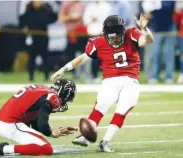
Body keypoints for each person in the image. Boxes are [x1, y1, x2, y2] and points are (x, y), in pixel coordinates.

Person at [51, 14, 154, 152]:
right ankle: (85, 137)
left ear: (122, 32)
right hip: (111, 80)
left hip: (130, 80)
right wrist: (65, 68)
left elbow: (147, 41)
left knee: (121, 111)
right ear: (106, 34)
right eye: (111, 37)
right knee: (100, 108)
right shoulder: (98, 42)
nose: (115, 40)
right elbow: (83, 58)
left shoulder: (131, 34)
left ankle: (105, 141)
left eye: (117, 36)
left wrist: (145, 29)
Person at [0, 78, 78, 156]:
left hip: (5, 121)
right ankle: (4, 149)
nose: (63, 103)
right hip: (10, 124)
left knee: (38, 144)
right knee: (46, 149)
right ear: (61, 93)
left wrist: (52, 130)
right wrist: (51, 133)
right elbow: (42, 125)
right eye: (65, 100)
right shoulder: (51, 97)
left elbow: (35, 124)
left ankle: (7, 148)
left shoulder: (42, 89)